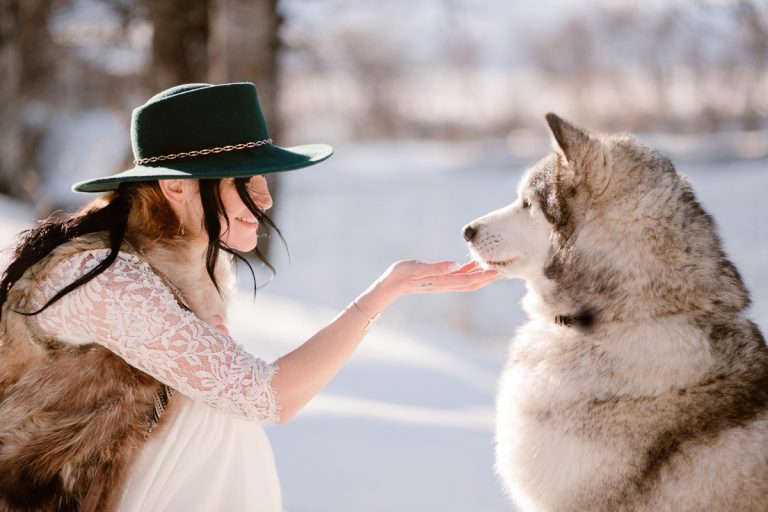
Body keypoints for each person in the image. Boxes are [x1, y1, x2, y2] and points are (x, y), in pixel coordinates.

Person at [0, 82, 497, 512]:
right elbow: (267, 397)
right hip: (52, 496)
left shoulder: (194, 262)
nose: (265, 199)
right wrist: (383, 293)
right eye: (246, 180)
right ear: (177, 189)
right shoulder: (103, 277)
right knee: (220, 411)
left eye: (263, 179)